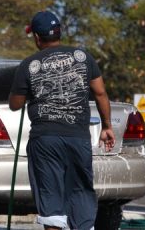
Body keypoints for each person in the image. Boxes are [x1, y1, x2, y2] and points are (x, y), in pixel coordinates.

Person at [9, 11, 115, 230]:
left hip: (45, 141)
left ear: (37, 37)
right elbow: (101, 93)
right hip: (78, 138)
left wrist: (21, 91)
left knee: (51, 200)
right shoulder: (83, 57)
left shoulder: (29, 65)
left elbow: (15, 104)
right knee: (81, 192)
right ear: (59, 33)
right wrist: (107, 126)